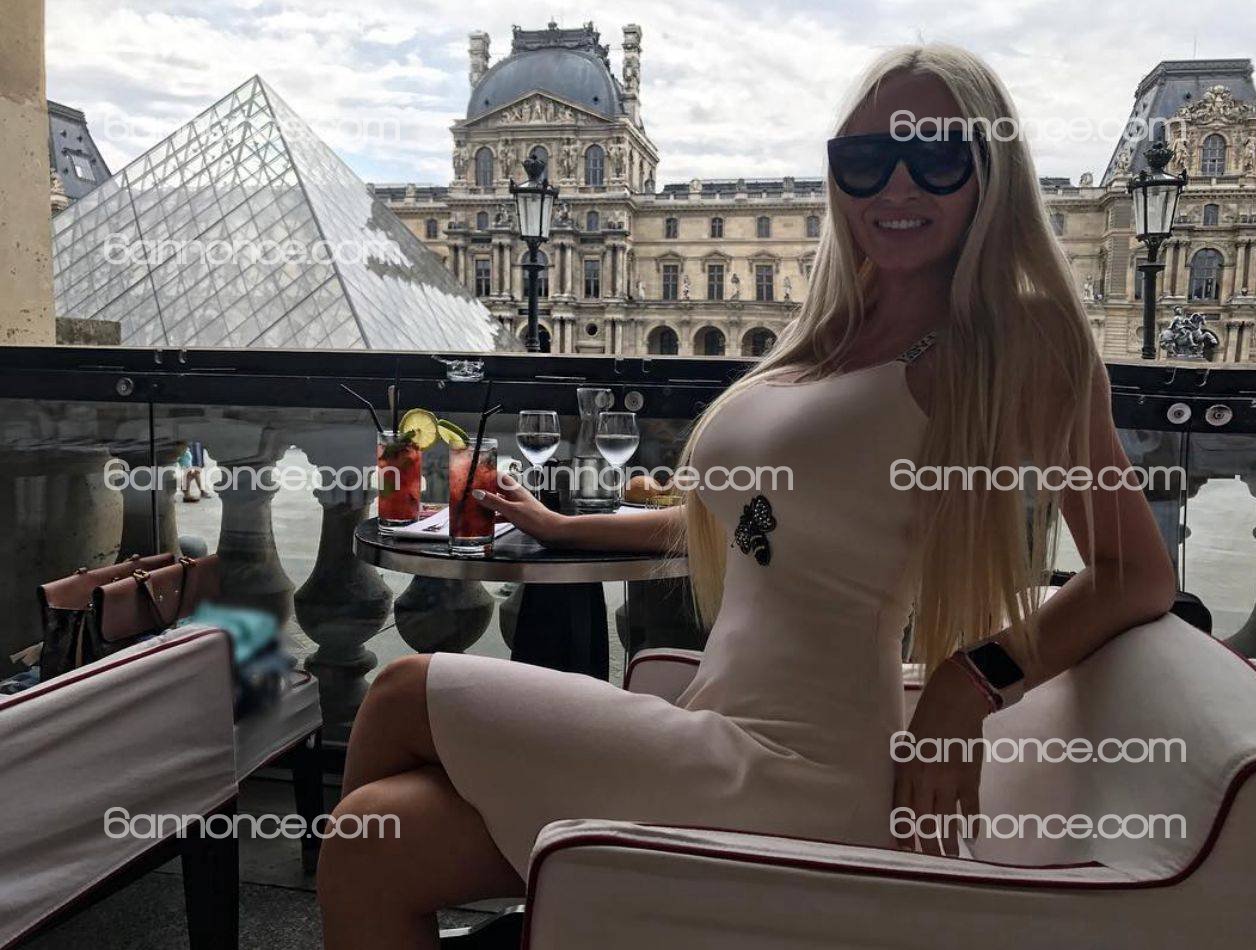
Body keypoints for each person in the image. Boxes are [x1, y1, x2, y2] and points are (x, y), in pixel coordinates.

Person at [318, 44, 1176, 949]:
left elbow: (1134, 573)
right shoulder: (836, 327)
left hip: (805, 768)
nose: (896, 184)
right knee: (372, 842)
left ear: (990, 173)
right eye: (865, 159)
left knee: (403, 688)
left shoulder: (1014, 339)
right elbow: (754, 525)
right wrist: (567, 525)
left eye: (935, 156)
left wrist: (970, 685)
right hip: (711, 727)